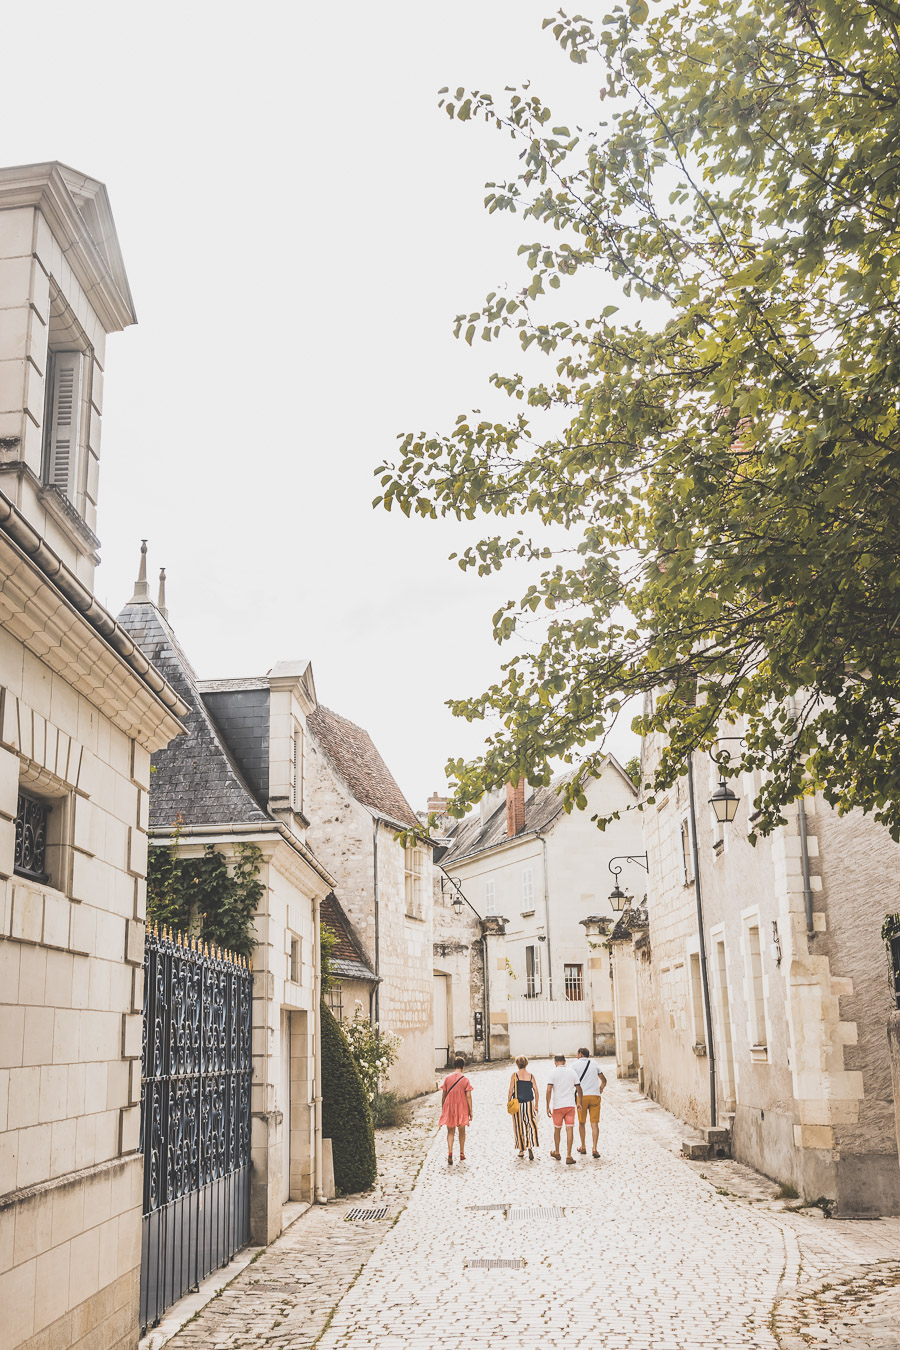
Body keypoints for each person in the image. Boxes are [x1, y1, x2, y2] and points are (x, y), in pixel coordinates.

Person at [545, 1053, 582, 1164]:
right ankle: (569, 1155)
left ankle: (557, 1151)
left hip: (558, 1106)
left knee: (557, 1129)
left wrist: (547, 1105)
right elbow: (579, 1088)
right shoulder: (572, 1072)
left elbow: (548, 1090)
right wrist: (579, 1102)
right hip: (570, 1105)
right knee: (569, 1129)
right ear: (565, 1061)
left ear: (555, 1062)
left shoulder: (552, 1073)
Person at [439, 1054, 473, 1164]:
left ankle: (450, 1152)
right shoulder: (465, 1080)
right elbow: (468, 1096)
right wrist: (470, 1110)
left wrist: (443, 1107)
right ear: (463, 1066)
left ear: (454, 1066)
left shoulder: (447, 1078)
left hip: (450, 1107)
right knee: (462, 1131)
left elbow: (444, 1094)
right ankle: (462, 1153)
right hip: (461, 1107)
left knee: (450, 1131)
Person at [574, 1047, 607, 1158]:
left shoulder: (575, 1065)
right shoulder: (595, 1064)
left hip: (581, 1097)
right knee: (594, 1124)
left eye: (577, 1054)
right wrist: (601, 1088)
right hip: (594, 1096)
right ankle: (594, 1148)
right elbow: (604, 1080)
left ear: (580, 1054)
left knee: (582, 1123)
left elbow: (572, 1081)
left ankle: (583, 1146)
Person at [508, 1055, 539, 1159]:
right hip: (529, 1103)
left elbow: (510, 1090)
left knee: (519, 1125)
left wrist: (508, 1102)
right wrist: (536, 1104)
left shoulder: (514, 1076)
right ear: (526, 1064)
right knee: (530, 1124)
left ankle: (521, 1150)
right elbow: (536, 1090)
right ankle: (530, 1145)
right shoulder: (531, 1076)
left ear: (517, 1064)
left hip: (518, 1104)